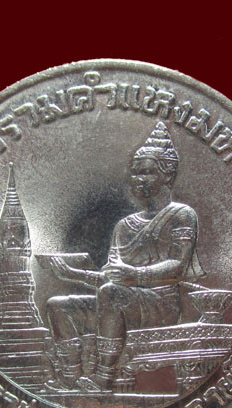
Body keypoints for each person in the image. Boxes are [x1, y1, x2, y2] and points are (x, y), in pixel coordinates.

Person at [45, 121, 205, 391]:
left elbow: (178, 266)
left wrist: (135, 275)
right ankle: (71, 376)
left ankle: (104, 376)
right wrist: (73, 274)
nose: (138, 179)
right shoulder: (124, 225)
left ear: (168, 175)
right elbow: (112, 278)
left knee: (112, 294)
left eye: (148, 172)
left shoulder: (181, 215)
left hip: (160, 305)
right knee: (57, 305)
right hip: (120, 300)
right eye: (135, 173)